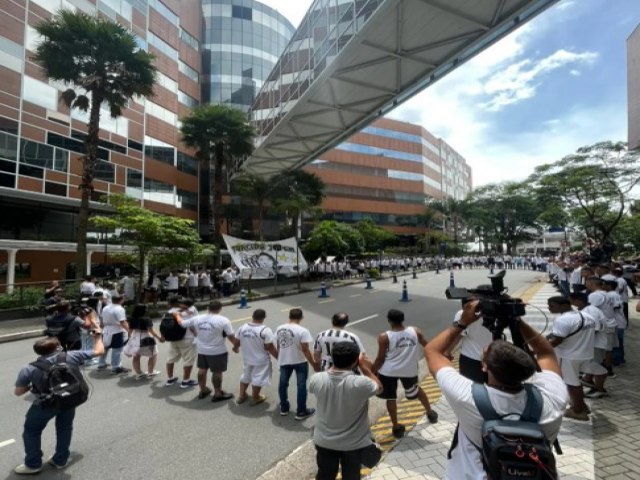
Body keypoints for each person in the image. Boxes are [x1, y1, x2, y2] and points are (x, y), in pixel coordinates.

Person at [424, 300, 568, 480]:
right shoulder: (554, 397)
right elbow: (546, 353)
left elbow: (432, 351)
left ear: (484, 368)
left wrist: (462, 322)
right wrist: (516, 320)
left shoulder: (466, 397)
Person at [13, 332, 104, 474]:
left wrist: (31, 386)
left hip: (44, 404)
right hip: (69, 398)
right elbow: (99, 351)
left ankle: (33, 464)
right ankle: (60, 460)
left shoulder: (29, 368)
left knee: (31, 431)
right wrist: (98, 337)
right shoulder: (72, 356)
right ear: (57, 348)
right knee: (65, 428)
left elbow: (18, 392)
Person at [309, 342, 382, 480]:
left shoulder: (316, 379)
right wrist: (365, 368)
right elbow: (379, 387)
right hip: (353, 444)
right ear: (356, 360)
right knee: (351, 476)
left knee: (325, 475)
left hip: (324, 441)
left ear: (332, 358)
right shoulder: (361, 383)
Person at [373, 309, 438, 438]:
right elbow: (428, 345)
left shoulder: (384, 336)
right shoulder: (415, 331)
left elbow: (380, 358)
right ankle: (430, 412)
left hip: (388, 371)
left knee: (391, 398)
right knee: (417, 390)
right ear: (402, 319)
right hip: (409, 370)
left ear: (389, 320)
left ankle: (396, 427)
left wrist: (373, 371)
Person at [173, 300, 238, 401]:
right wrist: (236, 346)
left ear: (208, 308)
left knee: (202, 370)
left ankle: (203, 390)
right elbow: (231, 336)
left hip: (202, 350)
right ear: (220, 309)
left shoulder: (198, 318)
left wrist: (177, 315)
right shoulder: (223, 320)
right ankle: (217, 394)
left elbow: (182, 323)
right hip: (217, 351)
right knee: (217, 372)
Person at [546, 295, 596, 421]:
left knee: (572, 384)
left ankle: (578, 411)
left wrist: (539, 348)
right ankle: (581, 405)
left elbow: (557, 340)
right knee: (575, 382)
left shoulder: (563, 320)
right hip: (585, 353)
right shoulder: (586, 316)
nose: (549, 308)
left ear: (564, 306)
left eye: (552, 306)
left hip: (569, 356)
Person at [276, 308, 318, 420]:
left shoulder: (279, 328)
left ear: (289, 316)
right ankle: (301, 411)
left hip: (284, 361)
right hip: (300, 361)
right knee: (301, 386)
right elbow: (305, 349)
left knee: (283, 384)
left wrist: (279, 359)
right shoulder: (303, 331)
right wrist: (313, 363)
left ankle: (284, 407)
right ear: (301, 318)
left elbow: (278, 345)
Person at [234, 308, 278, 405]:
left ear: (252, 316)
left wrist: (235, 348)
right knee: (258, 378)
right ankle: (255, 397)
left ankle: (242, 395)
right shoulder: (265, 330)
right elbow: (269, 347)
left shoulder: (242, 327)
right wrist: (279, 357)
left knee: (245, 376)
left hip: (247, 358)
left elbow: (237, 341)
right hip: (261, 360)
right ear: (264, 318)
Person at [162, 296, 198, 388]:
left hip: (173, 339)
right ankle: (185, 381)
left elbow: (163, 327)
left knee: (170, 359)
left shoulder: (167, 313)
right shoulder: (191, 310)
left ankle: (170, 379)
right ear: (179, 302)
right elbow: (196, 321)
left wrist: (163, 337)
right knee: (188, 360)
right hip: (188, 338)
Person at [126, 304, 164, 380]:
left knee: (136, 356)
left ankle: (139, 373)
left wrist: (129, 339)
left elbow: (129, 332)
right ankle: (150, 372)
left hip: (136, 337)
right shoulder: (147, 319)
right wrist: (159, 338)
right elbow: (151, 331)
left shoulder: (132, 319)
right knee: (153, 355)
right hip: (146, 338)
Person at [97, 295, 130, 374]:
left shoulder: (106, 307)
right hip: (116, 331)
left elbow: (101, 319)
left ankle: (101, 363)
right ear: (121, 300)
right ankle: (116, 367)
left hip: (106, 330)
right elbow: (122, 322)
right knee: (117, 350)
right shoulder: (120, 309)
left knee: (105, 347)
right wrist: (129, 331)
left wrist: (101, 327)